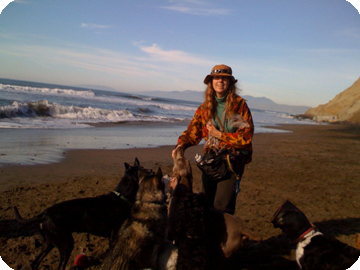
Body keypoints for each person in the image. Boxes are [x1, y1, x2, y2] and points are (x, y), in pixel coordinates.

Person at [172, 64, 254, 215]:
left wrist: (219, 135)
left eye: (224, 78)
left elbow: (246, 137)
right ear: (211, 82)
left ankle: (223, 238)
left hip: (231, 161)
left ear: (230, 83)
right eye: (217, 78)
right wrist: (180, 146)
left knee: (222, 207)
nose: (220, 81)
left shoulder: (239, 105)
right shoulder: (205, 108)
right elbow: (193, 132)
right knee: (206, 204)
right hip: (211, 161)